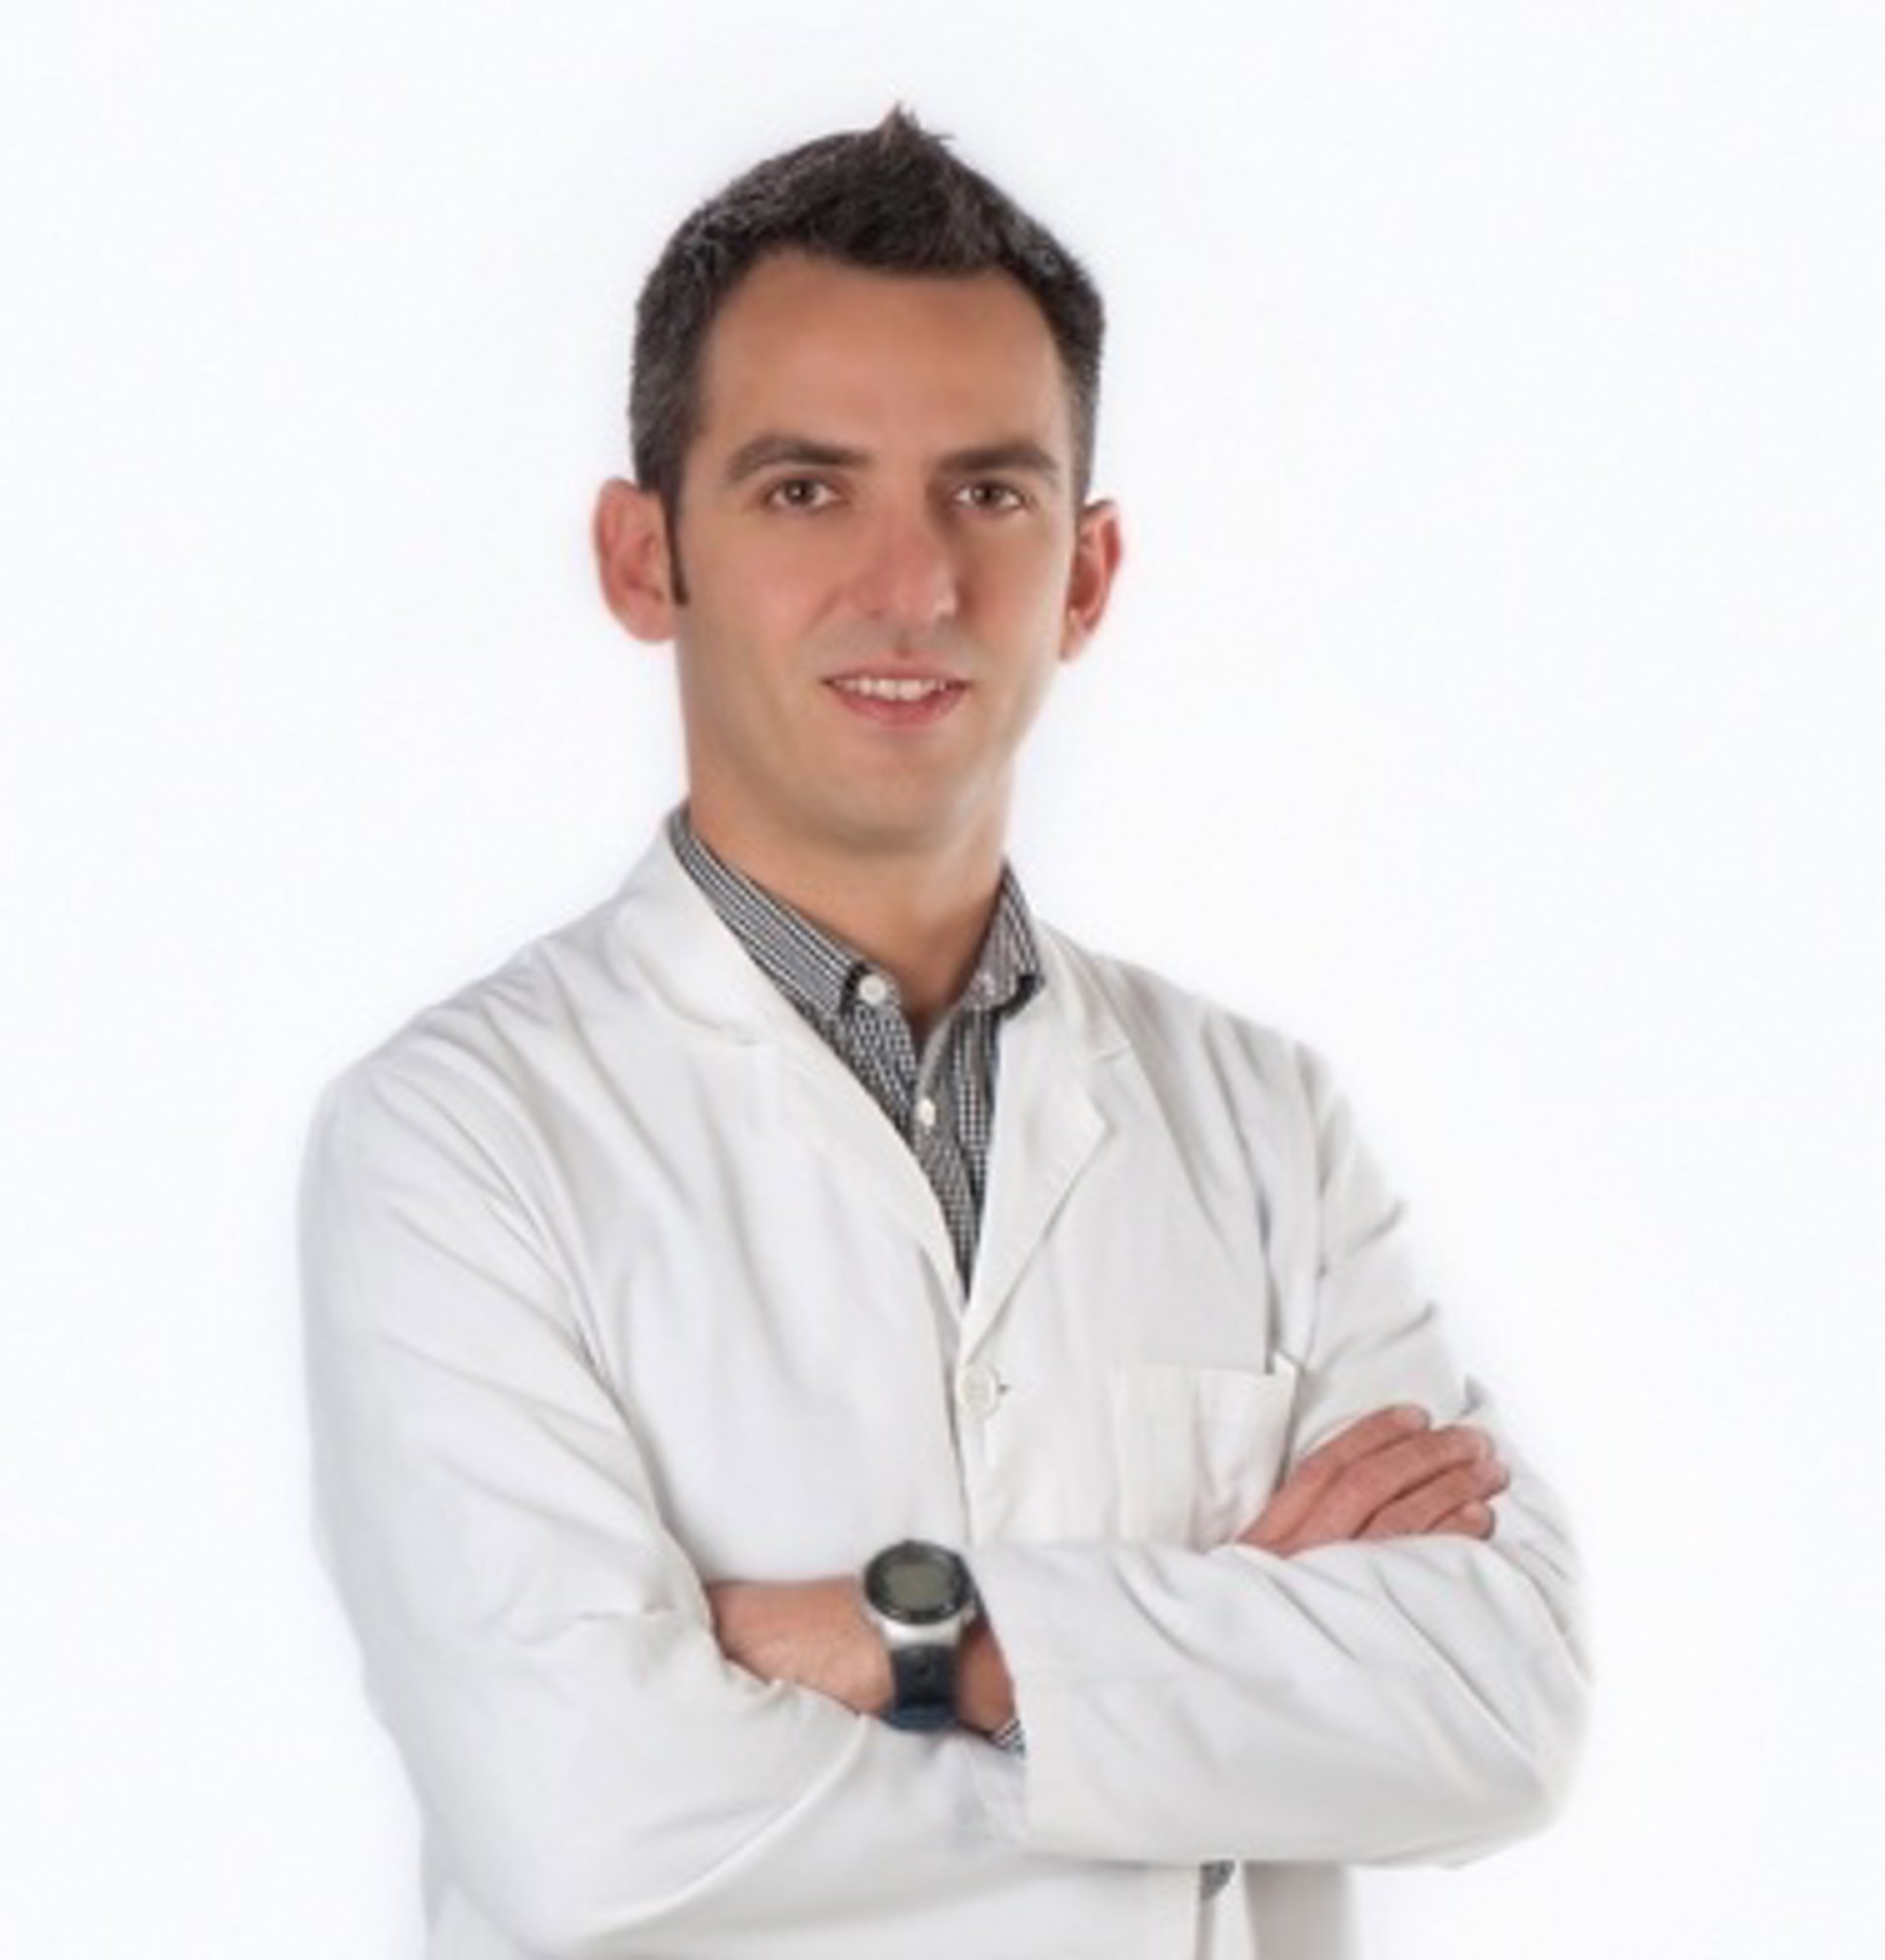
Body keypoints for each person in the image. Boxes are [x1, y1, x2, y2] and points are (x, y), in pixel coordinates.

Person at [300, 108, 1588, 1960]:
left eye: (988, 495)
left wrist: (925, 1637)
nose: (910, 586)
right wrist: (1213, 1733)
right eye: (804, 491)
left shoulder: (1265, 1126)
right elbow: (594, 1824)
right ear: (643, 557)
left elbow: (1498, 1705)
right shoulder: (456, 1141)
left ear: (1088, 574)